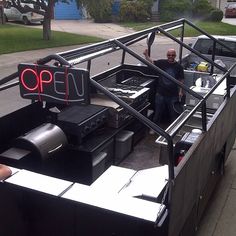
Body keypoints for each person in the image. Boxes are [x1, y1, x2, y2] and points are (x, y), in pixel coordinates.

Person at [143, 48, 184, 127]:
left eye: (172, 55)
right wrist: (146, 55)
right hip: (160, 93)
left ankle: (173, 129)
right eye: (169, 55)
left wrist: (180, 91)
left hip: (173, 95)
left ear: (175, 56)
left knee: (173, 114)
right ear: (167, 55)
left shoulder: (179, 67)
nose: (170, 56)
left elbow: (181, 79)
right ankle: (154, 128)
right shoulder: (162, 63)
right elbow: (151, 62)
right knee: (157, 113)